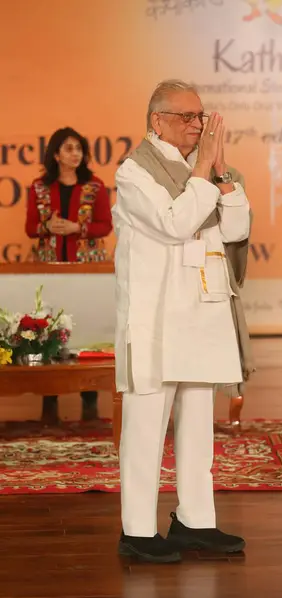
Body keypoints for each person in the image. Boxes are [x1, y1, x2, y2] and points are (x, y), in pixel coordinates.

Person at [113, 79, 253, 563]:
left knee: (198, 425)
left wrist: (220, 174)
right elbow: (176, 223)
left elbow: (236, 229)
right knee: (146, 424)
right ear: (157, 121)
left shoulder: (208, 171)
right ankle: (136, 529)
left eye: (201, 117)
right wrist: (204, 172)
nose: (198, 126)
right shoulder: (134, 171)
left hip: (203, 314)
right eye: (187, 117)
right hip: (158, 317)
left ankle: (195, 520)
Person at [25, 127, 112, 423]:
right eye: (69, 148)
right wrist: (47, 227)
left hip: (87, 270)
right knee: (48, 331)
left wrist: (78, 229)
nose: (76, 154)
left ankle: (90, 399)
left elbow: (105, 226)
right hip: (50, 269)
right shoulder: (39, 187)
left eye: (79, 148)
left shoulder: (95, 186)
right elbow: (30, 228)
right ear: (56, 154)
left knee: (86, 331)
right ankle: (49, 400)